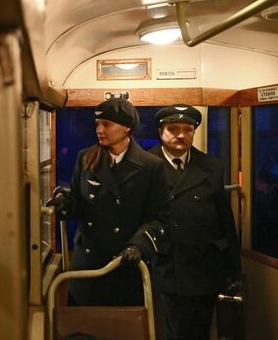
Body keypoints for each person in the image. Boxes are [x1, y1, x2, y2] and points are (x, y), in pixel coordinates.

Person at [47, 98, 169, 306]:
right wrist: (64, 205)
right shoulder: (86, 158)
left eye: (106, 124)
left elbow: (158, 219)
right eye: (97, 124)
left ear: (126, 128)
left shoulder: (151, 166)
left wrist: (137, 246)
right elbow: (78, 202)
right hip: (88, 265)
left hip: (125, 266)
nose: (99, 130)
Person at [148, 104, 242, 340]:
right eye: (173, 129)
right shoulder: (145, 165)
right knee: (175, 330)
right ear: (161, 132)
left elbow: (224, 219)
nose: (181, 135)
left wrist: (233, 267)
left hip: (205, 265)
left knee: (201, 328)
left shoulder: (211, 166)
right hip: (166, 264)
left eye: (188, 129)